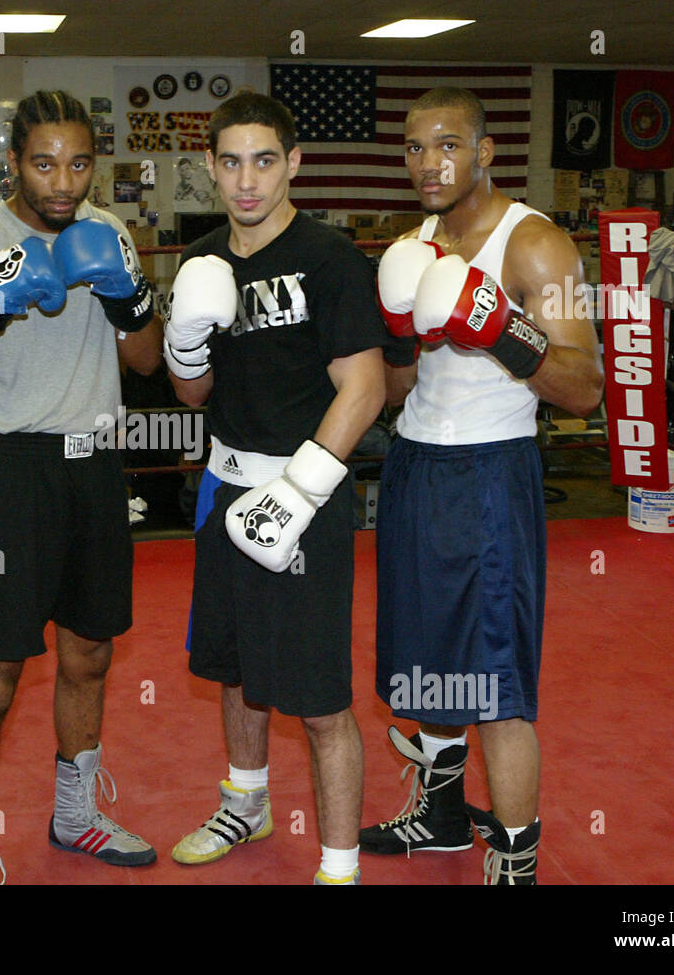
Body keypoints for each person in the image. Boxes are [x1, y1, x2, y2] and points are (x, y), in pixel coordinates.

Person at [0, 91, 162, 885]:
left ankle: (75, 815)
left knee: (89, 655)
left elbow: (148, 361)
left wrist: (131, 295)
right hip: (10, 470)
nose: (63, 182)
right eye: (45, 163)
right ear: (14, 162)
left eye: (79, 163)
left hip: (94, 467)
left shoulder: (109, 232)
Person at [359, 87, 603, 884]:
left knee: (497, 678)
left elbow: (586, 387)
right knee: (427, 652)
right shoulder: (413, 247)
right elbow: (396, 392)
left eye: (449, 144)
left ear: (487, 151)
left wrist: (502, 329)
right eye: (414, 148)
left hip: (493, 472)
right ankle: (439, 813)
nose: (429, 163)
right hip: (417, 466)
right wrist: (401, 334)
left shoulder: (537, 245)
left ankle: (516, 857)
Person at [164, 92, 387, 885]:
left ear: (293, 163)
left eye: (265, 160)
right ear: (211, 169)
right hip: (223, 492)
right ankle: (246, 803)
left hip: (305, 497)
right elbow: (192, 397)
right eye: (231, 162)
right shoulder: (202, 260)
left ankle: (338, 865)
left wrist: (297, 494)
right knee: (233, 670)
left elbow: (364, 389)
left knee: (320, 698)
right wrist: (184, 347)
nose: (247, 181)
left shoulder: (329, 259)